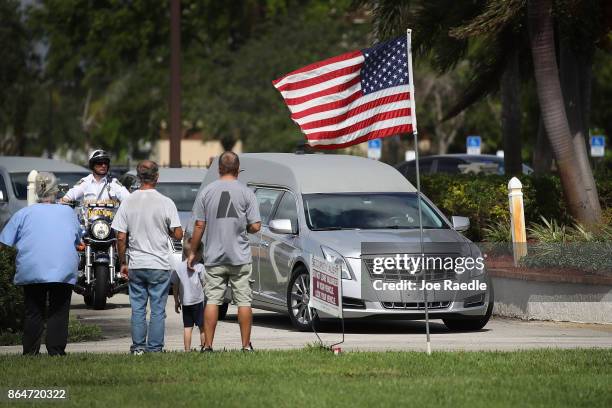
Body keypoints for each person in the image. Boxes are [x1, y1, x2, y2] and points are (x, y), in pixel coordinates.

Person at [0, 172, 81, 356]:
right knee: (59, 310)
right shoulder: (68, 212)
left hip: (32, 268)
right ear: (56, 191)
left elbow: (4, 242)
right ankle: (56, 350)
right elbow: (78, 239)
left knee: (33, 311)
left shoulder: (23, 213)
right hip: (62, 269)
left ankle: (30, 351)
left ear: (37, 191)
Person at [188, 151, 261, 352]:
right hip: (240, 256)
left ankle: (208, 345)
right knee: (244, 301)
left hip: (214, 256)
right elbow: (256, 226)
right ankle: (246, 346)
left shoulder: (207, 191)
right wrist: (242, 227)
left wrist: (193, 252)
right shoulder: (247, 192)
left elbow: (199, 226)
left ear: (219, 168)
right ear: (238, 169)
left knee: (212, 300)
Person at [111, 160, 183, 354]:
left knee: (138, 309)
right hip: (159, 263)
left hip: (136, 262)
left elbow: (120, 236)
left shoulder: (128, 202)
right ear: (157, 177)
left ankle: (138, 347)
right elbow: (178, 234)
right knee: (158, 309)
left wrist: (123, 262)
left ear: (138, 177)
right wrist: (168, 229)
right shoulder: (166, 202)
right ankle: (155, 348)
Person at [171, 238, 206, 352]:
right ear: (197, 254)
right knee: (202, 327)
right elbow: (204, 283)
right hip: (198, 301)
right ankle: (204, 347)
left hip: (185, 302)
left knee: (187, 327)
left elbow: (175, 285)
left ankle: (187, 350)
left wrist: (176, 300)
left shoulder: (178, 267)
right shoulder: (200, 267)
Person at [62, 149, 129, 204]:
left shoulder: (113, 183)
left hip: (110, 220)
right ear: (92, 165)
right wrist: (65, 200)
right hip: (88, 220)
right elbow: (69, 196)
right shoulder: (85, 182)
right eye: (100, 163)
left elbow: (129, 199)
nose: (103, 165)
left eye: (105, 163)